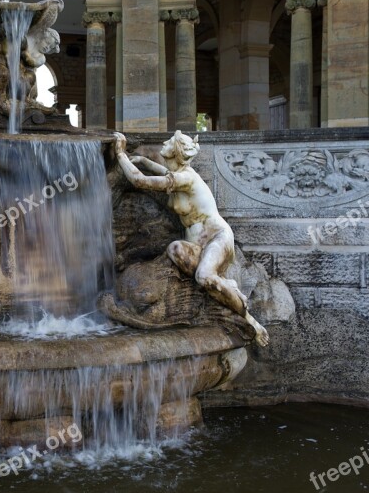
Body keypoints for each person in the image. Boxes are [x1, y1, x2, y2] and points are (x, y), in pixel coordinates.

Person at [114, 131, 270, 346]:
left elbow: (140, 181)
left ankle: (249, 319)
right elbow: (164, 172)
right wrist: (144, 161)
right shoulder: (179, 175)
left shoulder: (187, 178)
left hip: (217, 237)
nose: (165, 141)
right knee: (175, 249)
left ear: (176, 151)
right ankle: (224, 285)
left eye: (170, 141)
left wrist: (120, 153)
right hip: (199, 243)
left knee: (204, 276)